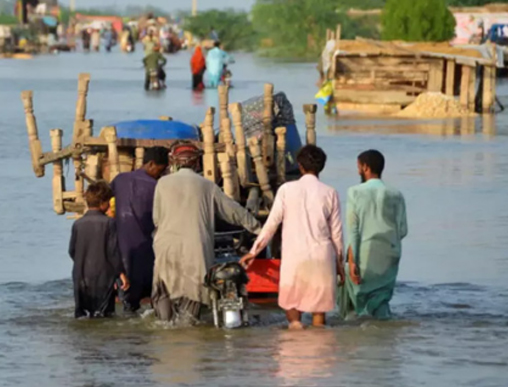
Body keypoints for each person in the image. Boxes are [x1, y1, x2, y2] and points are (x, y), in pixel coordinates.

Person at [152, 141, 262, 323]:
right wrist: (259, 228)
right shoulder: (207, 185)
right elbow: (234, 211)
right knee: (192, 299)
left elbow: (156, 219)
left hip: (166, 247)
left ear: (174, 162)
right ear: (196, 163)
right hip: (195, 248)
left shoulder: (162, 184)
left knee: (164, 292)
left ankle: (165, 328)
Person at [240, 145, 344, 329]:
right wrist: (339, 266)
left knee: (293, 310)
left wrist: (253, 251)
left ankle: (294, 345)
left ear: (300, 166)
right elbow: (336, 235)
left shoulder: (286, 190)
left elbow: (271, 225)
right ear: (322, 167)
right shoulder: (331, 193)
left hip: (295, 257)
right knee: (319, 315)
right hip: (322, 257)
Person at [338, 150, 408, 320]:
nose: (358, 171)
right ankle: (385, 340)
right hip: (390, 254)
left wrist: (352, 260)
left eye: (358, 167)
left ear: (365, 167)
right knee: (381, 300)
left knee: (356, 299)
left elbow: (353, 230)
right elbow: (403, 230)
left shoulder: (354, 192)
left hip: (365, 252)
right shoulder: (396, 194)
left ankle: (360, 336)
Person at [111, 147, 170, 312]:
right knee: (149, 296)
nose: (161, 173)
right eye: (161, 169)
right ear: (151, 164)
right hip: (145, 248)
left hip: (121, 249)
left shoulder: (119, 179)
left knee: (127, 299)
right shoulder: (157, 187)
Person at [68, 182, 130, 318]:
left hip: (80, 277)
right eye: (108, 202)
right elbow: (113, 251)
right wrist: (121, 274)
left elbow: (72, 250)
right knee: (104, 315)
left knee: (83, 316)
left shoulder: (77, 224)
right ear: (102, 203)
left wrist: (82, 262)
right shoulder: (109, 223)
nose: (108, 205)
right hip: (103, 278)